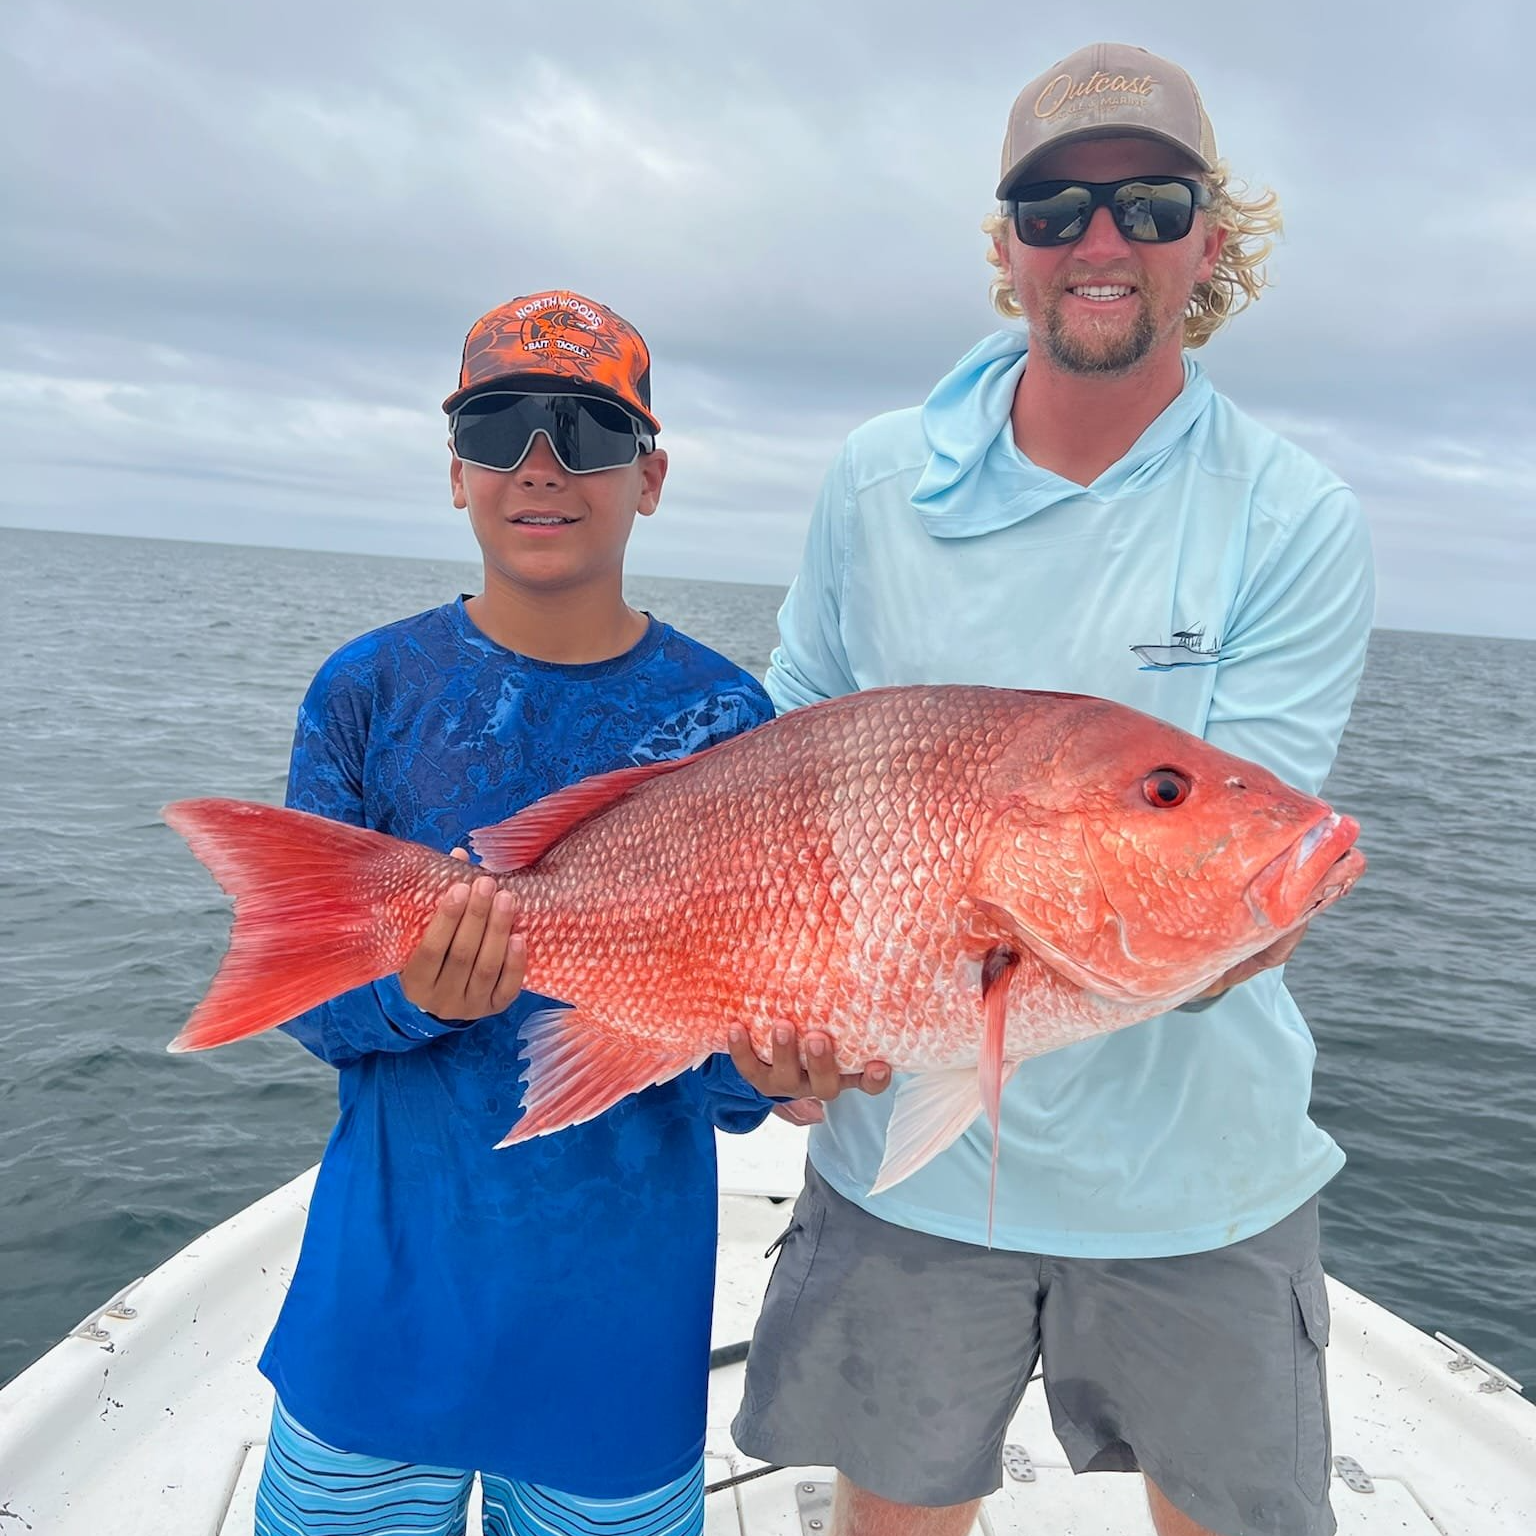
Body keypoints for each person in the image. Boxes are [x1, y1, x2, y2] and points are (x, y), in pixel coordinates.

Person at [731, 43, 1374, 1536]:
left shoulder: (1291, 516)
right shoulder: (877, 483)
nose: (1100, 242)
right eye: (1054, 206)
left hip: (1200, 1178)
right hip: (903, 1169)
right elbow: (785, 759)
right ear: (1007, 240)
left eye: (1150, 205)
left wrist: (1228, 919)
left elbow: (1246, 858)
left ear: (1212, 241)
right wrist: (771, 1011)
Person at [251, 289, 887, 1536]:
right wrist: (406, 991)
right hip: (379, 1326)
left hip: (614, 1346)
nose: (541, 468)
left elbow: (717, 1071)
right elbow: (311, 1011)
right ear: (454, 475)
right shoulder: (367, 690)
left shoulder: (729, 720)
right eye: (498, 430)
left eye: (590, 433)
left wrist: (770, 1070)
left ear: (649, 478)